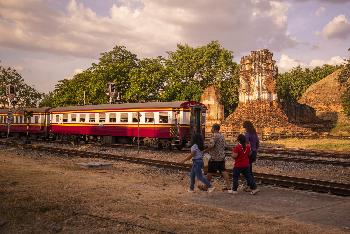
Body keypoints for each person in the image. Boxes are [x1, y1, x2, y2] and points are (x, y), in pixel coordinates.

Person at [204, 124, 231, 192]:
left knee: (210, 172)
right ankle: (229, 187)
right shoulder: (222, 136)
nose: (211, 129)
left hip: (214, 157)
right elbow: (225, 145)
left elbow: (211, 146)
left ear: (214, 128)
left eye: (212, 128)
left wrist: (204, 151)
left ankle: (206, 186)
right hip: (221, 157)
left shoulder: (214, 135)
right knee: (223, 171)